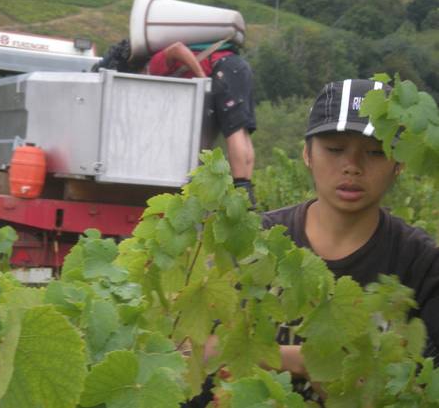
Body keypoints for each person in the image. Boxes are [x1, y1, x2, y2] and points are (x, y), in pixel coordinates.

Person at [263, 79, 439, 386]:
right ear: (307, 154)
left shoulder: (421, 264)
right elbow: (213, 352)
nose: (352, 166)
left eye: (374, 153)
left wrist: (287, 358)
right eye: (334, 149)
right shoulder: (261, 241)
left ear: (398, 164)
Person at [146, 41, 257, 206]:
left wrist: (202, 77)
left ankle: (240, 188)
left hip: (223, 68)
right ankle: (246, 190)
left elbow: (177, 49)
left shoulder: (154, 66)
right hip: (238, 66)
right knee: (242, 130)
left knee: (233, 130)